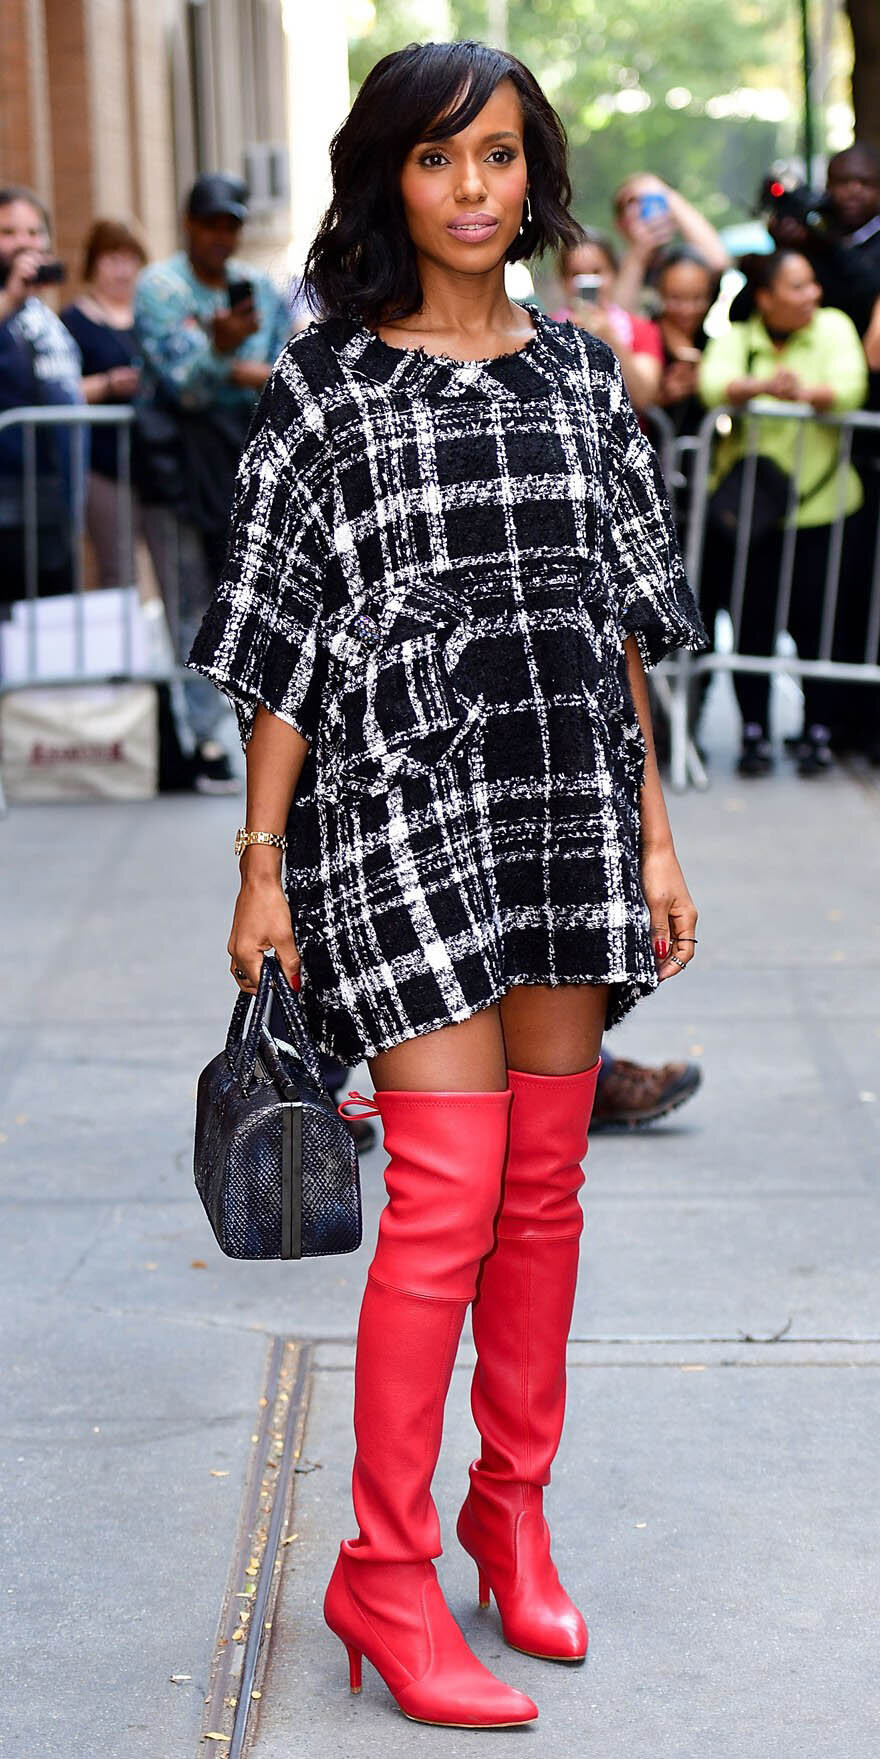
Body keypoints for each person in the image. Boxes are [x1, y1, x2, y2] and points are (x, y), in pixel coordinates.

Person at [189, 40, 706, 1728]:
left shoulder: (579, 367)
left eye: (495, 155)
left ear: (530, 173)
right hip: (399, 809)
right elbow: (280, 643)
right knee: (445, 1199)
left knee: (544, 1188)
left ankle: (513, 1511)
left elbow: (618, 620)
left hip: (562, 796)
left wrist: (655, 827)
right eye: (436, 160)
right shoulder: (328, 384)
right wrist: (261, 863)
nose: (472, 188)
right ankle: (388, 1572)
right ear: (387, 182)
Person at [134, 173, 291, 794]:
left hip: (242, 461)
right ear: (189, 224)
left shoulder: (257, 289)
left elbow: (282, 373)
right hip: (175, 465)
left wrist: (230, 360)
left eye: (232, 225)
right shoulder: (162, 287)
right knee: (187, 605)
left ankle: (234, 738)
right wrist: (225, 357)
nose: (222, 237)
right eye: (212, 224)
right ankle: (195, 742)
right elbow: (186, 387)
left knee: (244, 606)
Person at [699, 251, 867, 776]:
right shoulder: (738, 336)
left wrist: (808, 394)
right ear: (766, 296)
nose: (812, 294)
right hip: (755, 518)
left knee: (822, 627)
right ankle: (754, 733)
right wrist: (762, 388)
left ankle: (818, 731)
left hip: (825, 510)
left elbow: (850, 387)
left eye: (813, 282)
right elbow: (712, 384)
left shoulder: (834, 327)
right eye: (797, 286)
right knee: (751, 624)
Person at [0, 186, 83, 601]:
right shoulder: (10, 302)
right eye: (9, 232)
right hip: (8, 511)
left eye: (33, 232)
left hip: (52, 507)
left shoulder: (42, 313)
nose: (24, 243)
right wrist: (10, 297)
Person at [61, 219, 146, 589]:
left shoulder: (149, 317)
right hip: (102, 465)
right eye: (112, 259)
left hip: (152, 461)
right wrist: (110, 384)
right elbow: (61, 390)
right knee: (118, 569)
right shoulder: (74, 321)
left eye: (130, 259)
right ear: (93, 264)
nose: (122, 270)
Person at [554, 230, 662, 412]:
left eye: (597, 272)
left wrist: (609, 337)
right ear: (563, 280)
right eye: (576, 274)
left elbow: (643, 396)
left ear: (614, 274)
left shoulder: (641, 330)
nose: (588, 282)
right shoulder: (542, 330)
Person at [611, 173, 729, 318]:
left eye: (651, 200)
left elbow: (718, 262)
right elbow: (619, 321)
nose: (642, 208)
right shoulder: (609, 265)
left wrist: (667, 195)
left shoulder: (680, 262)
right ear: (619, 223)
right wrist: (638, 255)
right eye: (632, 202)